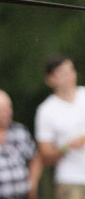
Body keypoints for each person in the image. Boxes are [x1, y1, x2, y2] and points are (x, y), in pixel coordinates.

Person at [35, 55, 85, 197]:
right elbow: (45, 156)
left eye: (71, 71)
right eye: (63, 73)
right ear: (50, 80)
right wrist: (67, 146)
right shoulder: (46, 110)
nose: (70, 76)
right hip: (71, 180)